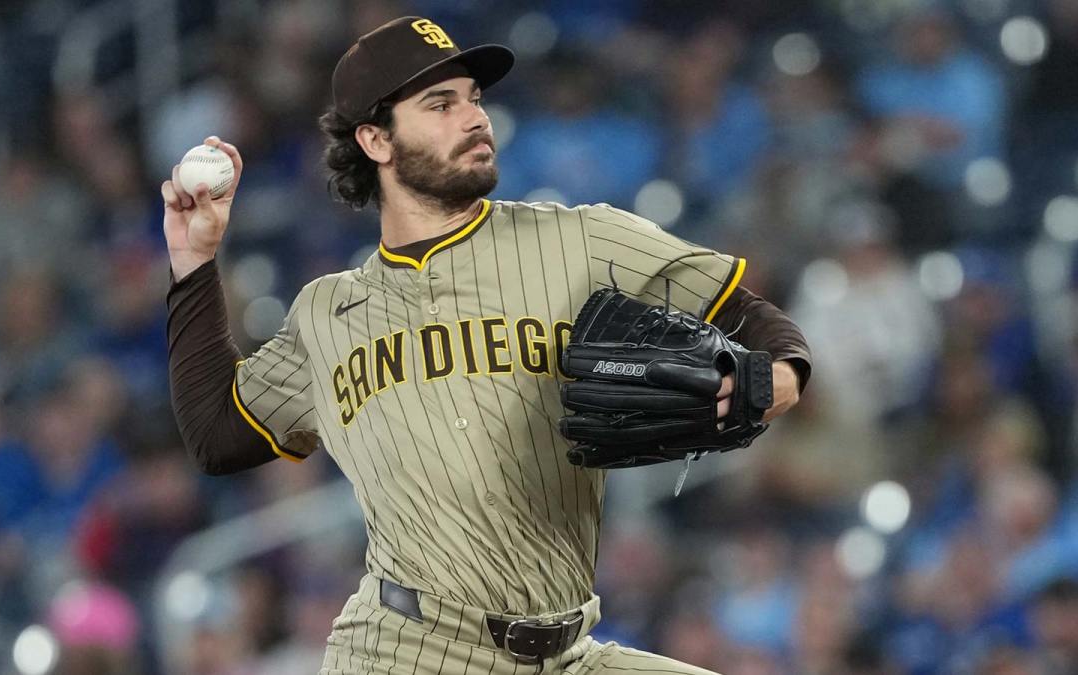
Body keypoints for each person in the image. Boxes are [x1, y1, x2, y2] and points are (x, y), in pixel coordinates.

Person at [161, 16, 811, 675]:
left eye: (474, 97)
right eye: (441, 104)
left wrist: (778, 378)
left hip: (569, 651)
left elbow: (747, 312)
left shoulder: (579, 240)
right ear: (375, 139)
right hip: (406, 652)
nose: (474, 117)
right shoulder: (327, 312)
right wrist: (194, 262)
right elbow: (218, 435)